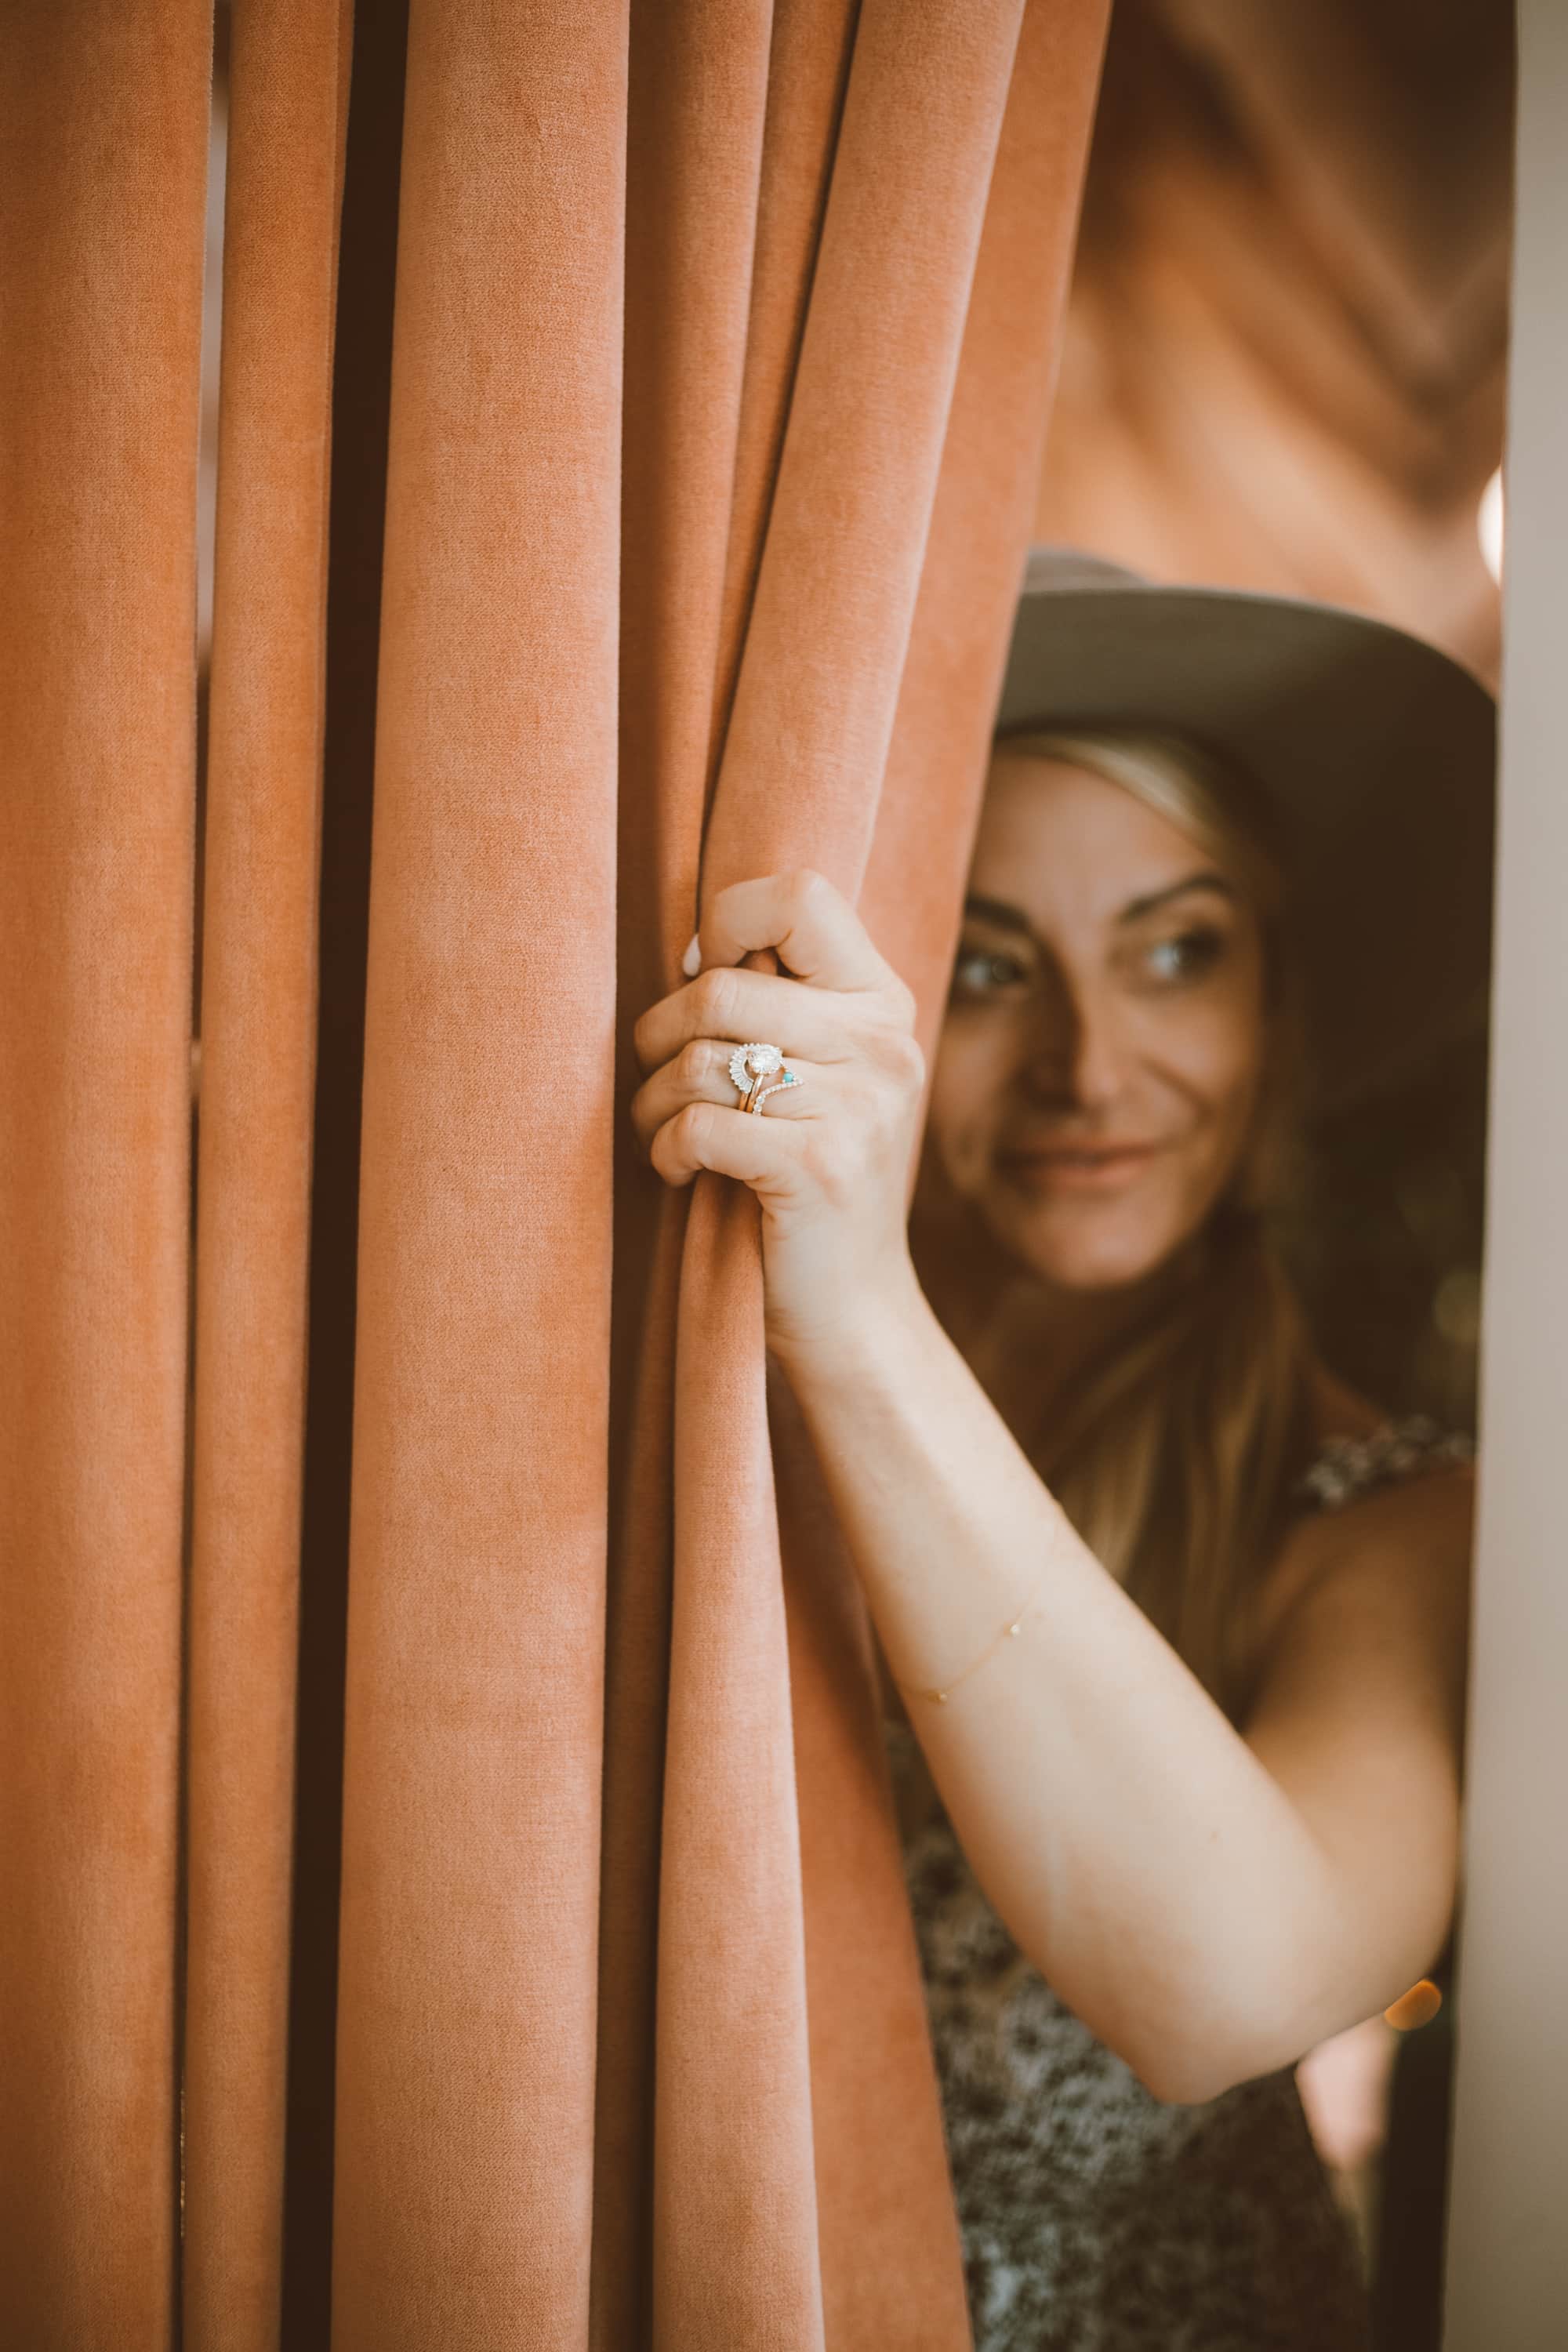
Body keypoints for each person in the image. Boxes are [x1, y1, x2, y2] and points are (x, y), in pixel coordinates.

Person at [628, 548, 1493, 2350]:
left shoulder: (1389, 1511)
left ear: (1275, 1013)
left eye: (1179, 951)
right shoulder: (687, 1399)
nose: (1095, 1070)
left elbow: (1224, 1995)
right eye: (990, 966)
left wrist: (860, 1315)